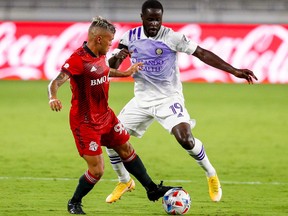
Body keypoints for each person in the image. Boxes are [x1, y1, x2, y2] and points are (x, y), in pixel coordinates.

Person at [105, 0, 258, 204]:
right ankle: (124, 180)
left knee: (185, 138)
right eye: (150, 19)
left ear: (162, 18)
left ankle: (211, 174)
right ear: (142, 18)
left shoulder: (172, 37)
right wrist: (119, 56)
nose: (154, 24)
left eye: (157, 19)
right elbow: (110, 67)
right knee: (109, 137)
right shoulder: (128, 37)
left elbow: (202, 53)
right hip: (141, 99)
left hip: (168, 98)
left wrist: (234, 71)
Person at [48, 16, 180, 215]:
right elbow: (56, 81)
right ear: (99, 39)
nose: (112, 44)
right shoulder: (77, 59)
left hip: (106, 116)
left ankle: (152, 189)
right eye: (110, 40)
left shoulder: (99, 54)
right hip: (85, 123)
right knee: (97, 170)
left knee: (126, 148)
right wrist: (53, 97)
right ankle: (74, 202)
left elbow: (103, 70)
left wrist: (125, 73)